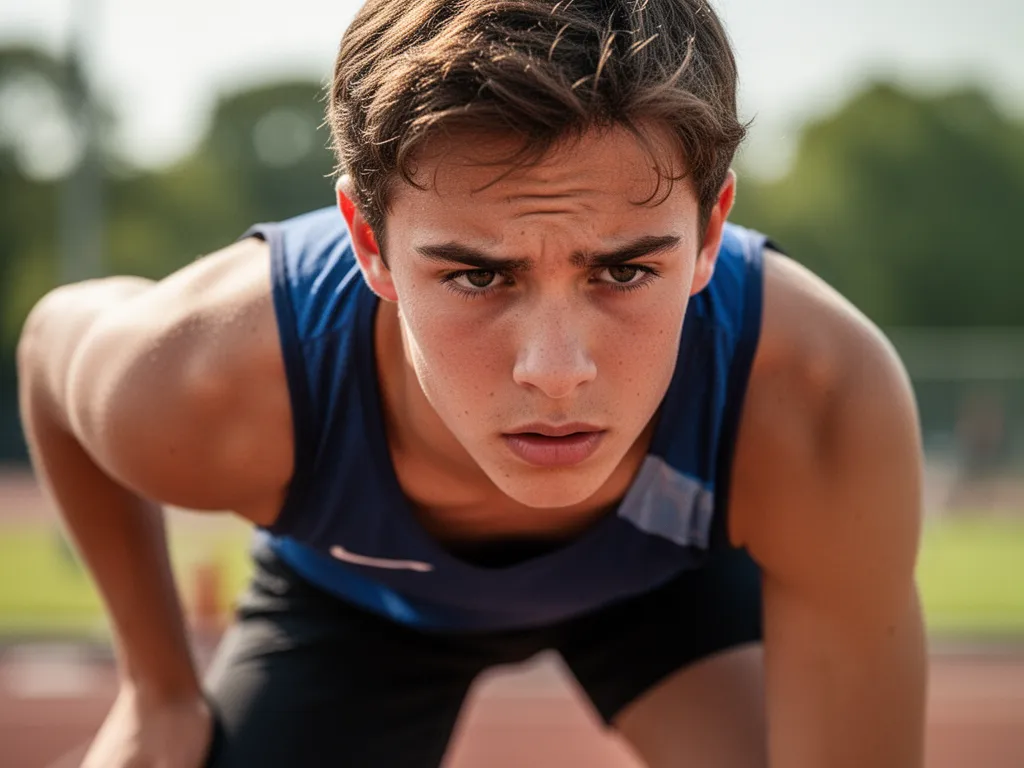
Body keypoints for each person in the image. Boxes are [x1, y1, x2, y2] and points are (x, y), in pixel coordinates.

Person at [16, 1, 927, 766]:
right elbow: (51, 347)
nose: (557, 372)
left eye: (623, 272)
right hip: (354, 603)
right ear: (368, 242)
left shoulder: (815, 399)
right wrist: (156, 687)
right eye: (479, 276)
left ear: (710, 230)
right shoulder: (207, 379)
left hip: (663, 584)